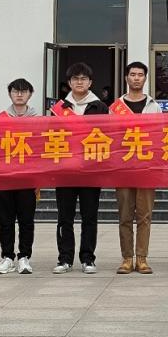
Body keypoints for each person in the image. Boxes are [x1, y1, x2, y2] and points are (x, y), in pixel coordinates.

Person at [53, 62, 109, 274]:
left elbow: (108, 136)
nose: (79, 82)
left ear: (90, 82)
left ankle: (88, 258)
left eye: (83, 79)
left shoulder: (100, 107)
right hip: (65, 170)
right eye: (75, 79)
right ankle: (65, 259)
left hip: (90, 171)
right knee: (64, 218)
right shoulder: (59, 109)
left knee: (89, 217)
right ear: (69, 83)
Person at [110, 61, 163, 275]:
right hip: (123, 168)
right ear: (126, 78)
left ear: (145, 78)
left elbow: (160, 136)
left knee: (144, 216)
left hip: (147, 169)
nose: (136, 78)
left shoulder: (154, 106)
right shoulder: (115, 108)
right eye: (132, 74)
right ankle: (126, 258)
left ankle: (141, 258)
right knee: (124, 216)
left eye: (140, 75)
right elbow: (110, 137)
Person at [0, 78, 39, 275]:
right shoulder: (0, 119)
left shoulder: (38, 120)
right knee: (5, 219)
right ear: (9, 94)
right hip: (4, 176)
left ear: (30, 94)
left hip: (28, 177)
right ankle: (7, 257)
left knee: (26, 219)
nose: (19, 94)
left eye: (23, 91)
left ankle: (24, 257)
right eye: (15, 91)